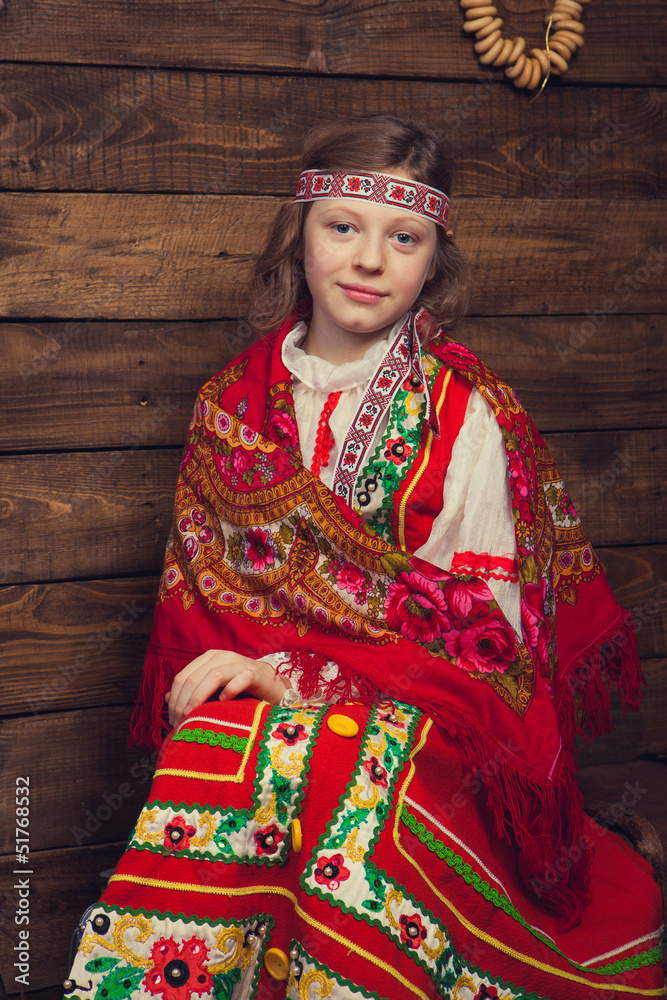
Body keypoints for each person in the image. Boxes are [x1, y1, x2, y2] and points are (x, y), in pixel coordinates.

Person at [64, 115, 664, 1000]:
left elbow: (483, 638)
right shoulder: (227, 404)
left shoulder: (466, 413)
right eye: (342, 227)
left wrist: (295, 678)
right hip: (250, 697)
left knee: (328, 762)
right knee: (220, 749)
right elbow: (197, 595)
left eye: (404, 238)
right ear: (297, 238)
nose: (369, 260)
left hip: (436, 720)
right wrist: (246, 679)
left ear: (433, 261)